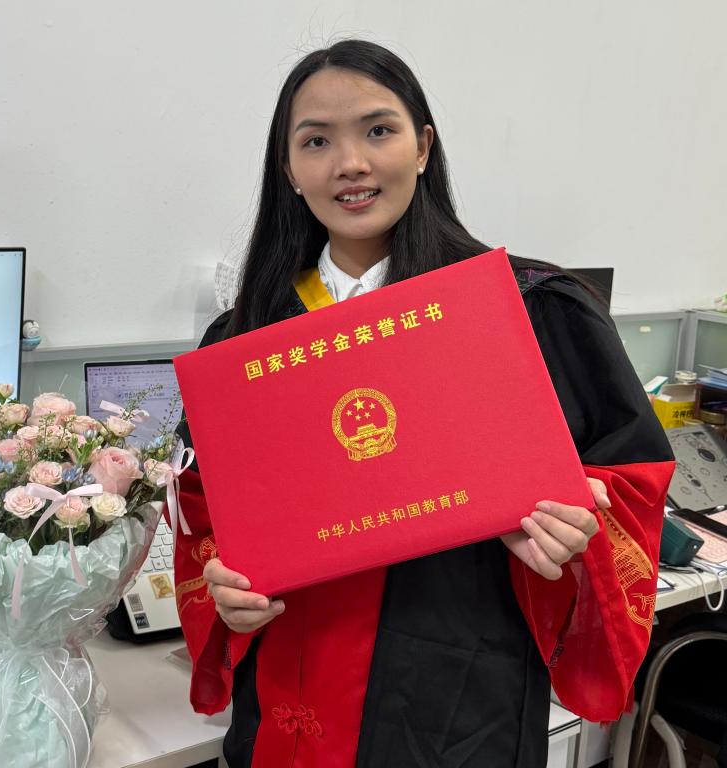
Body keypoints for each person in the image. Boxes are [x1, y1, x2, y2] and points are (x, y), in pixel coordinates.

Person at [171, 39, 675, 768]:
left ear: (423, 148)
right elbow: (201, 513)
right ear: (289, 170)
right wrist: (226, 594)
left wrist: (578, 532)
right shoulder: (247, 341)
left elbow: (631, 483)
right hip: (287, 697)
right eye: (317, 141)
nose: (351, 163)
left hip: (459, 697)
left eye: (378, 130)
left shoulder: (531, 311)